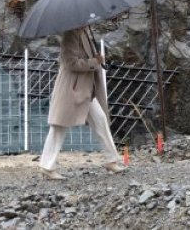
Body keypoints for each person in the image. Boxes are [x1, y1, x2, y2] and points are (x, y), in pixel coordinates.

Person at [39, 26, 127, 180]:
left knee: (100, 120)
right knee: (59, 126)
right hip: (72, 89)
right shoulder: (70, 35)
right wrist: (94, 61)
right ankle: (47, 166)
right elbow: (70, 62)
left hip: (86, 89)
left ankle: (111, 160)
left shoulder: (85, 32)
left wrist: (96, 59)